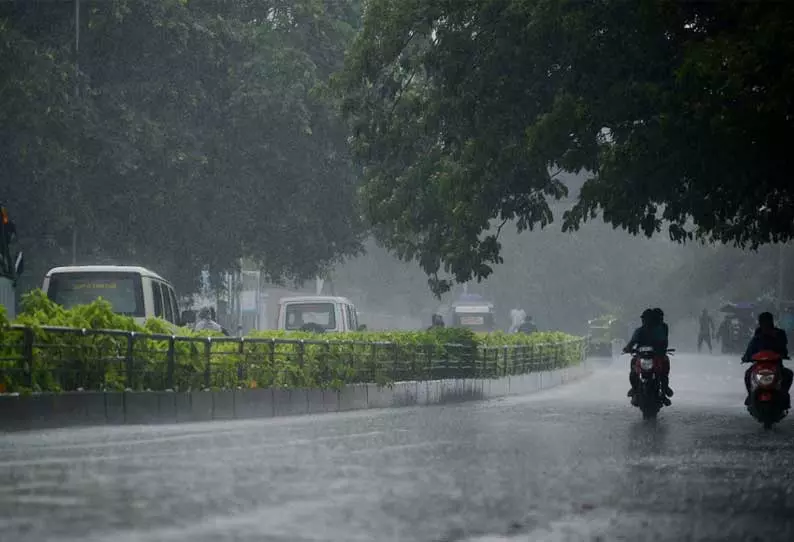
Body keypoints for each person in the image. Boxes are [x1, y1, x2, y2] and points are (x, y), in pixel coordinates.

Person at [741, 312, 793, 409]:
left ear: (771, 322)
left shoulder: (780, 334)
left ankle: (784, 395)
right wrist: (746, 357)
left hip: (775, 365)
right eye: (762, 322)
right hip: (759, 365)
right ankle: (750, 395)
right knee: (748, 374)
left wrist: (783, 354)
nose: (765, 325)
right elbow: (751, 347)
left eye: (767, 322)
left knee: (788, 375)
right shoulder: (758, 335)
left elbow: (784, 347)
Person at [623, 308, 672, 405]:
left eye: (647, 319)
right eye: (644, 319)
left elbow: (664, 341)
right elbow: (632, 342)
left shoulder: (660, 329)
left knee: (664, 367)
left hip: (657, 355)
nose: (645, 321)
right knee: (633, 366)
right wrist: (627, 348)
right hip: (642, 355)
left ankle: (664, 388)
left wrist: (662, 350)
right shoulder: (639, 331)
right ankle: (635, 389)